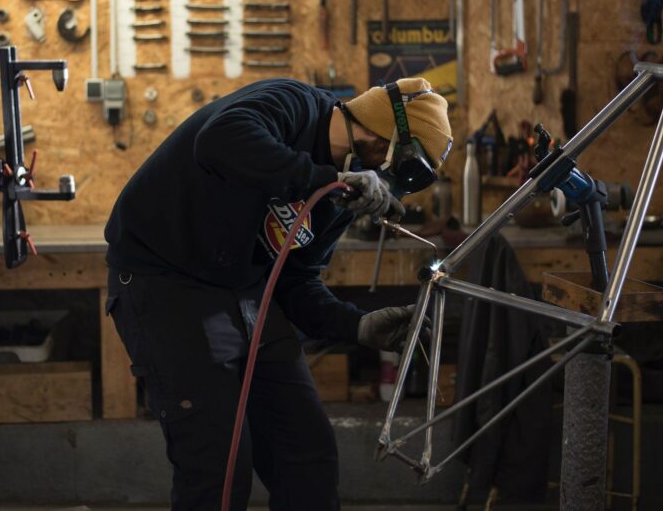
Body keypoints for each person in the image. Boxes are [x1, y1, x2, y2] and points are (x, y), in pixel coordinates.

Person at [104, 77, 453, 511]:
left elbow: (296, 280)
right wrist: (326, 179)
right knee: (218, 465)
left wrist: (356, 324)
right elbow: (219, 139)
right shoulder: (291, 104)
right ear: (388, 137)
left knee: (306, 454)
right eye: (404, 171)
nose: (393, 186)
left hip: (244, 289)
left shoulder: (346, 192)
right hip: (165, 282)